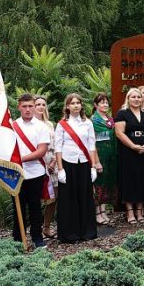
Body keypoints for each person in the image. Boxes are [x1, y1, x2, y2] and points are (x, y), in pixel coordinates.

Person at [55, 93, 100, 242]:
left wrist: (93, 166)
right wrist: (60, 169)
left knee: (85, 198)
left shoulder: (87, 123)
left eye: (78, 103)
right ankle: (70, 234)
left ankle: (87, 232)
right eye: (72, 103)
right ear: (67, 106)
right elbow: (58, 148)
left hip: (84, 163)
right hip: (68, 163)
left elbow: (91, 145)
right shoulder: (62, 124)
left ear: (81, 105)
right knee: (69, 199)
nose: (75, 105)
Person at [12, 93, 51, 249]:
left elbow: (41, 151)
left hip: (35, 172)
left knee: (35, 206)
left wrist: (19, 159)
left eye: (30, 106)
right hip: (15, 174)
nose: (28, 109)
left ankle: (37, 237)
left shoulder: (41, 126)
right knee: (17, 206)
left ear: (34, 107)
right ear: (19, 107)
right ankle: (18, 238)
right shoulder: (11, 126)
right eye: (24, 106)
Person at [115, 88, 144, 224]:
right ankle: (130, 212)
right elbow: (119, 133)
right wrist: (133, 146)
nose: (137, 99)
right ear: (128, 98)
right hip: (128, 152)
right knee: (130, 180)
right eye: (133, 97)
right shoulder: (122, 114)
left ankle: (139, 211)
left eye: (139, 97)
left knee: (142, 180)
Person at [91, 93, 118, 225]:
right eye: (102, 102)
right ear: (96, 105)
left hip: (111, 157)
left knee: (107, 183)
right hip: (99, 156)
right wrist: (96, 161)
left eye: (107, 102)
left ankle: (103, 211)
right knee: (99, 184)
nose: (105, 105)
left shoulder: (110, 120)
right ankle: (97, 213)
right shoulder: (92, 121)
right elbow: (91, 142)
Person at [34, 95, 58, 239]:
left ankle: (47, 226)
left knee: (53, 197)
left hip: (51, 162)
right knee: (36, 198)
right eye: (38, 104)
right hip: (36, 161)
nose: (41, 107)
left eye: (43, 104)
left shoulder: (49, 124)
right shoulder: (29, 125)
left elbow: (55, 144)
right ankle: (35, 228)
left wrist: (53, 161)